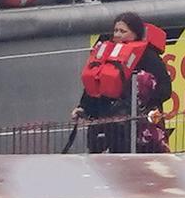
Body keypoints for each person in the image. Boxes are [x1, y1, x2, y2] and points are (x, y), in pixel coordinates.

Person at [72, 12, 172, 154]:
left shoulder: (149, 57)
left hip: (140, 127)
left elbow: (165, 89)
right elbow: (95, 82)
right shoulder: (106, 54)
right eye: (116, 30)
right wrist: (83, 107)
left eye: (123, 31)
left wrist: (139, 101)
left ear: (135, 34)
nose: (117, 35)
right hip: (110, 125)